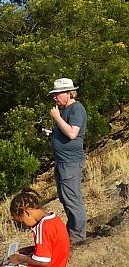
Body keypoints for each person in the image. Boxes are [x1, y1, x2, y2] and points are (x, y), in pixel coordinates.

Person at [48, 77, 87, 243]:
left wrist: (57, 118)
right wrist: (53, 133)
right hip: (62, 162)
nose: (54, 97)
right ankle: (71, 232)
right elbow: (67, 133)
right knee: (65, 198)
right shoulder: (66, 110)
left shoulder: (76, 109)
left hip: (70, 163)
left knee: (72, 199)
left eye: (57, 94)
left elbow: (72, 133)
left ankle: (77, 236)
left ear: (68, 93)